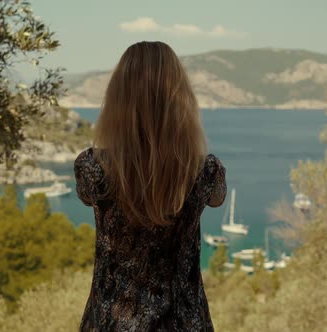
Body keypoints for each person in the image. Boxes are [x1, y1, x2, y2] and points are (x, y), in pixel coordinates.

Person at [74, 41, 227, 331]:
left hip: (111, 322)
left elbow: (86, 196)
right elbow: (217, 198)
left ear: (117, 98)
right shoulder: (206, 170)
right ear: (181, 98)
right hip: (185, 321)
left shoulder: (92, 167)